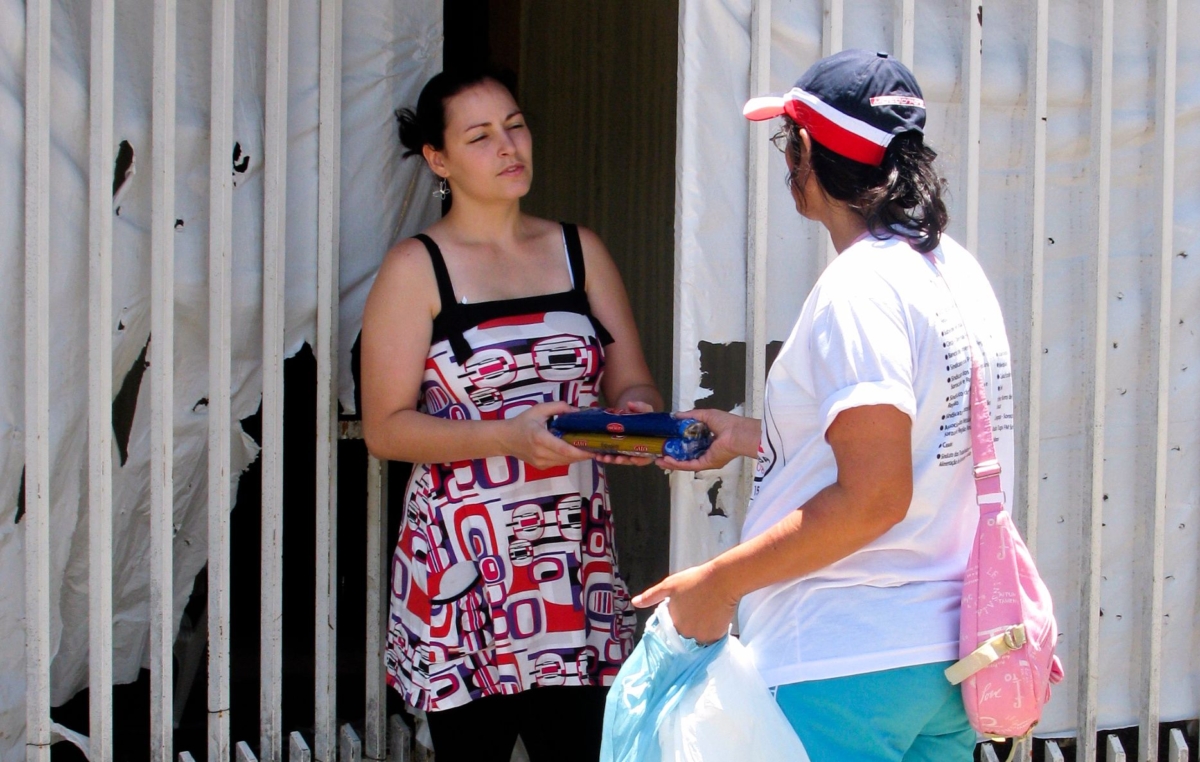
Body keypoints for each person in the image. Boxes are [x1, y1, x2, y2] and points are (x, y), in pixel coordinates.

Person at [638, 50, 1015, 761]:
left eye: (787, 142)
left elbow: (875, 498)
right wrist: (755, 435)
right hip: (947, 661)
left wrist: (715, 587)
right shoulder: (953, 271)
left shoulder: (861, 286)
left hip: (840, 666)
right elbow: (923, 440)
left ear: (805, 152)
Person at [360, 67, 663, 762]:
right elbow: (385, 427)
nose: (508, 146)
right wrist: (510, 437)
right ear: (438, 160)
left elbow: (632, 379)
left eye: (515, 126)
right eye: (480, 136)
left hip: (572, 563)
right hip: (465, 567)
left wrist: (638, 415)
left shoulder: (578, 250)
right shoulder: (418, 267)